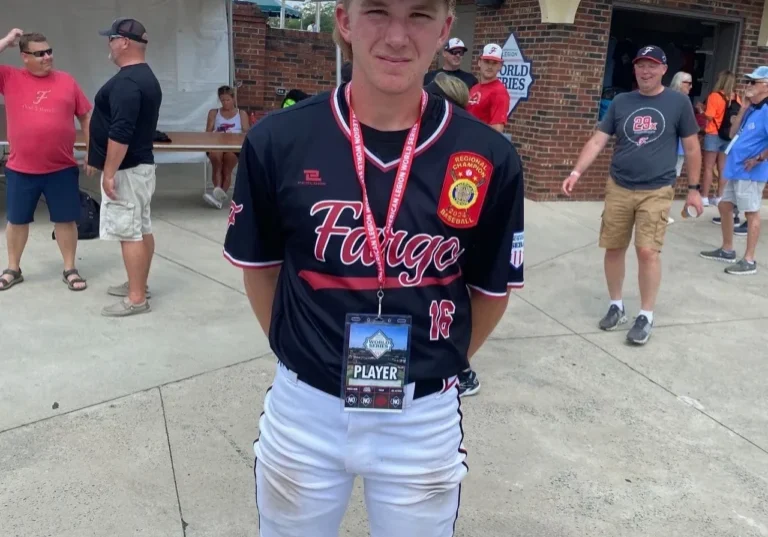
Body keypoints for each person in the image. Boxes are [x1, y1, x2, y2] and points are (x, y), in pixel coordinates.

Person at [224, 0, 524, 533]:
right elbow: (261, 269)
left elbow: (491, 291)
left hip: (423, 418)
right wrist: (304, 355)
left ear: (445, 30)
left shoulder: (488, 155)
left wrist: (432, 364)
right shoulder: (279, 139)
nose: (397, 36)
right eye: (378, 12)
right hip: (306, 408)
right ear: (344, 20)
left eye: (420, 16)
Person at [562, 45, 702, 345]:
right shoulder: (622, 102)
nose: (645, 71)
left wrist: (694, 190)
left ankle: (646, 315)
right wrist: (576, 172)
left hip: (657, 188)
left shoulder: (678, 103)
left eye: (652, 65)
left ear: (664, 69)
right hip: (619, 186)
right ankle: (616, 305)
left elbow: (691, 148)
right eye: (641, 65)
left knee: (647, 251)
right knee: (613, 247)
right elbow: (598, 140)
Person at [0, 29, 92, 292]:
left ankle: (70, 267)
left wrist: (91, 152)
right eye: (40, 54)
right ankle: (13, 268)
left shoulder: (66, 81)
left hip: (61, 168)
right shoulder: (9, 77)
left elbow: (85, 116)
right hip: (21, 168)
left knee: (66, 220)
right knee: (17, 221)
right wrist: (5, 42)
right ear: (24, 57)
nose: (47, 57)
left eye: (49, 51)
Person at [87, 18, 162, 317]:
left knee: (129, 232)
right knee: (141, 227)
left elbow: (121, 131)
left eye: (111, 39)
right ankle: (139, 284)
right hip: (139, 167)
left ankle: (136, 299)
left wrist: (108, 172)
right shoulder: (144, 77)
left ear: (124, 42)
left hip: (128, 170)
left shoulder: (128, 82)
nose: (109, 44)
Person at [699, 66, 768, 275]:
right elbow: (732, 132)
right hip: (737, 168)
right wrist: (744, 108)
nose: (748, 86)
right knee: (725, 206)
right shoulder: (753, 109)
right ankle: (727, 249)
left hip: (751, 170)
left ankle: (749, 260)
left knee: (751, 212)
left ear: (766, 86)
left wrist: (759, 158)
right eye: (748, 82)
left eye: (753, 82)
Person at [203, 85, 250, 209]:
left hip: (233, 147)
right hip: (217, 144)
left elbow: (246, 134)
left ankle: (217, 197)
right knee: (217, 163)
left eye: (228, 100)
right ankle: (218, 194)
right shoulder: (214, 113)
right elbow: (207, 132)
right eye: (222, 100)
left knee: (227, 168)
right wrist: (216, 134)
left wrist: (234, 135)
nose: (225, 103)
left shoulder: (241, 114)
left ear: (233, 99)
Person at [701, 70, 740, 207]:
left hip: (713, 133)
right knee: (723, 168)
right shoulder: (737, 98)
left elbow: (710, 116)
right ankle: (719, 197)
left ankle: (704, 197)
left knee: (708, 167)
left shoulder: (714, 96)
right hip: (728, 135)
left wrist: (701, 110)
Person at [668, 70, 695, 225]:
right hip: (676, 147)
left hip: (676, 147)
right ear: (680, 83)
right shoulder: (682, 100)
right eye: (688, 83)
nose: (691, 87)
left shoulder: (668, 97)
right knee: (670, 180)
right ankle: (663, 211)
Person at [466, 44, 510, 132]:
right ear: (479, 62)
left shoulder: (499, 92)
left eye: (494, 63)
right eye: (486, 61)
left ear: (500, 66)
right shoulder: (474, 88)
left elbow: (497, 130)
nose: (490, 66)